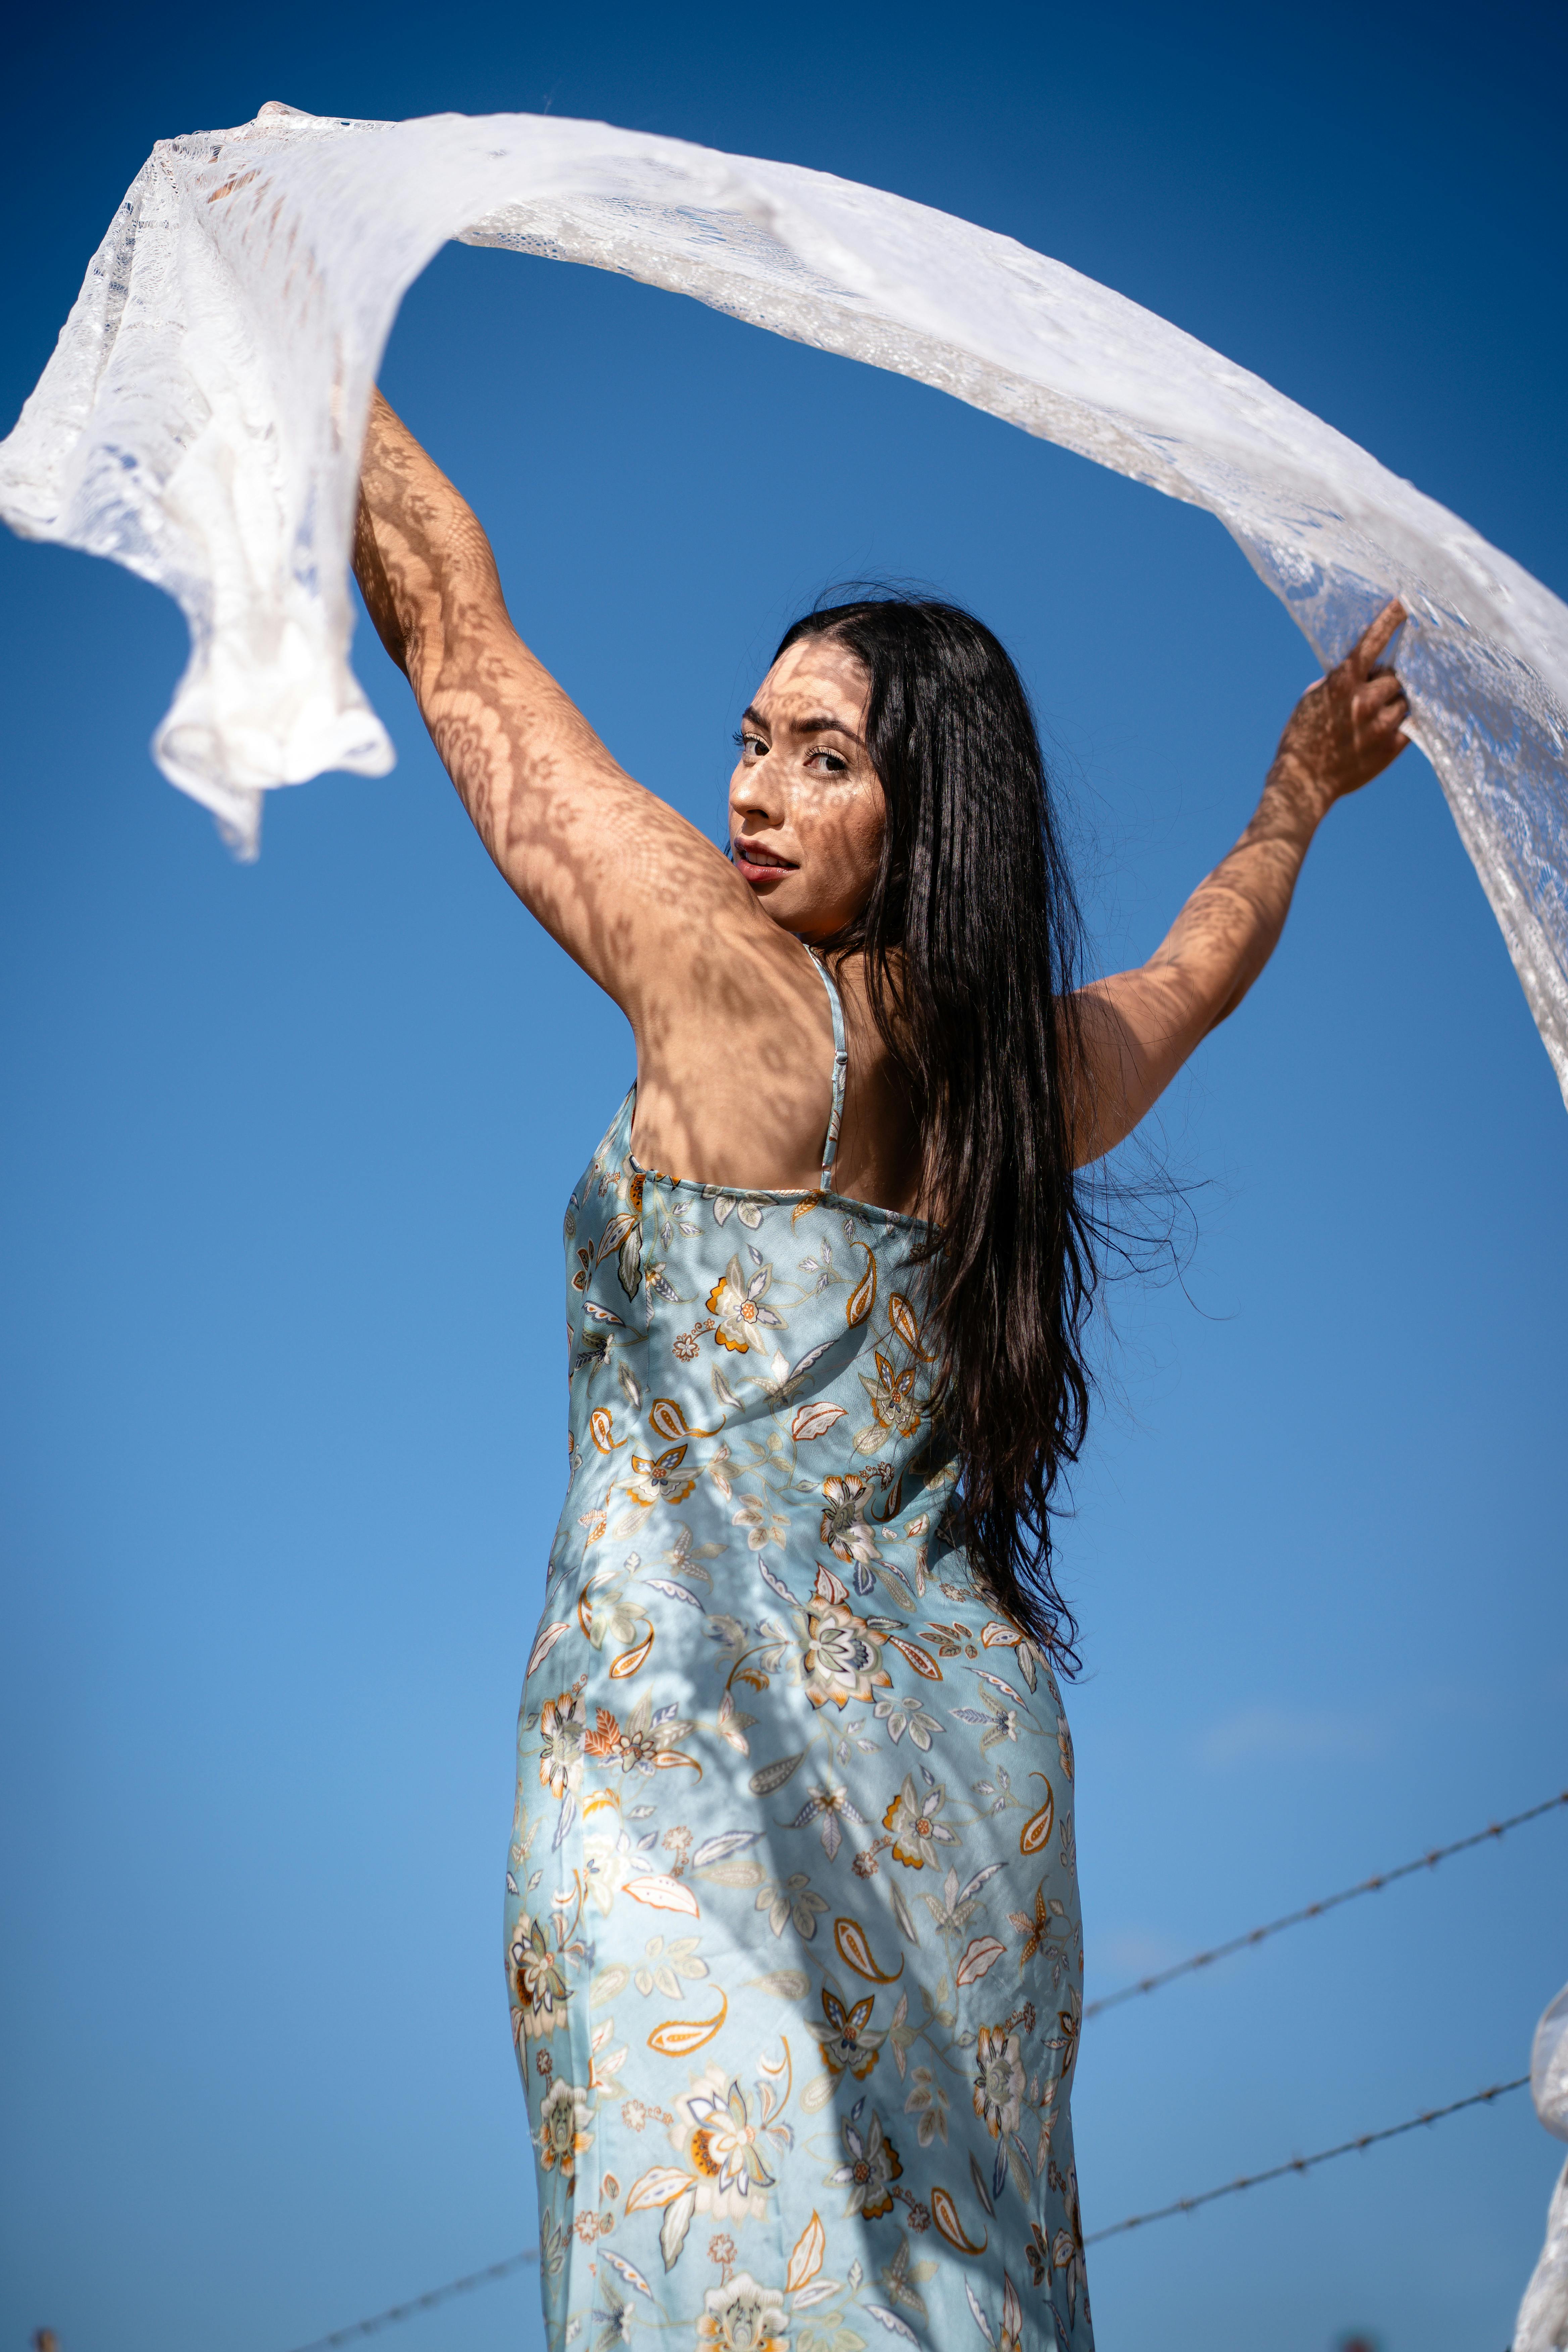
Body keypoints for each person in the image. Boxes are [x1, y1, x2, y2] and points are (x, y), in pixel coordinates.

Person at [352, 388, 1409, 2352]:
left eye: (820, 760)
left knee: (707, 2272)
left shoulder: (716, 978)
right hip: (968, 1782)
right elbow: (1196, 966)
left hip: (685, 1761)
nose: (751, 793)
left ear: (925, 820)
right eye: (749, 743)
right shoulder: (1034, 1088)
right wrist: (1295, 802)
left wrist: (302, 329)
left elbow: (456, 639)